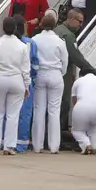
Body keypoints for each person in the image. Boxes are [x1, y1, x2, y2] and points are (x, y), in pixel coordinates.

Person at [0, 17, 31, 155]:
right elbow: (26, 69)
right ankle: (9, 146)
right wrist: (26, 86)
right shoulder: (22, 46)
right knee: (13, 114)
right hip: (16, 79)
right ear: (15, 29)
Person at [55, 7, 96, 135]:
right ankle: (59, 134)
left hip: (53, 72)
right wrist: (94, 71)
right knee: (64, 103)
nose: (81, 25)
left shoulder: (57, 30)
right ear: (72, 19)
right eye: (79, 21)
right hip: (63, 74)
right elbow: (76, 57)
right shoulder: (68, 35)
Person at [30, 10, 68, 153]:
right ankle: (54, 146)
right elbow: (65, 61)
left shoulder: (35, 39)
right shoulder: (60, 41)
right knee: (54, 111)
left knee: (39, 110)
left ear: (41, 24)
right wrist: (60, 73)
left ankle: (37, 145)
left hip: (40, 73)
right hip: (55, 74)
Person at [14, 16, 41, 153]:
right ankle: (22, 143)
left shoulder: (5, 41)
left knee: (8, 112)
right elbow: (35, 64)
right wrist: (33, 77)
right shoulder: (30, 43)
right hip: (26, 80)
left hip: (10, 78)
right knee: (25, 113)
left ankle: (5, 141)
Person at [71, 69, 96, 156]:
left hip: (83, 107)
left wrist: (79, 114)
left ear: (81, 75)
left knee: (77, 130)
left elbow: (74, 99)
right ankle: (94, 146)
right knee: (94, 123)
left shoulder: (78, 81)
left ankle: (86, 145)